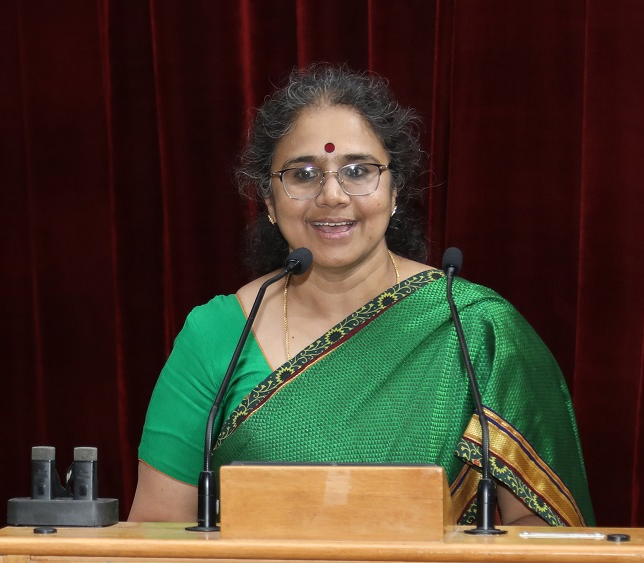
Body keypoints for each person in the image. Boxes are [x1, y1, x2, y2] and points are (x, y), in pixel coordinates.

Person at [127, 64, 593, 528]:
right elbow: (154, 533)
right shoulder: (216, 335)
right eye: (303, 174)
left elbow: (545, 541)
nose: (332, 195)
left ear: (394, 192)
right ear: (269, 201)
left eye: (358, 171)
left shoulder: (475, 328)